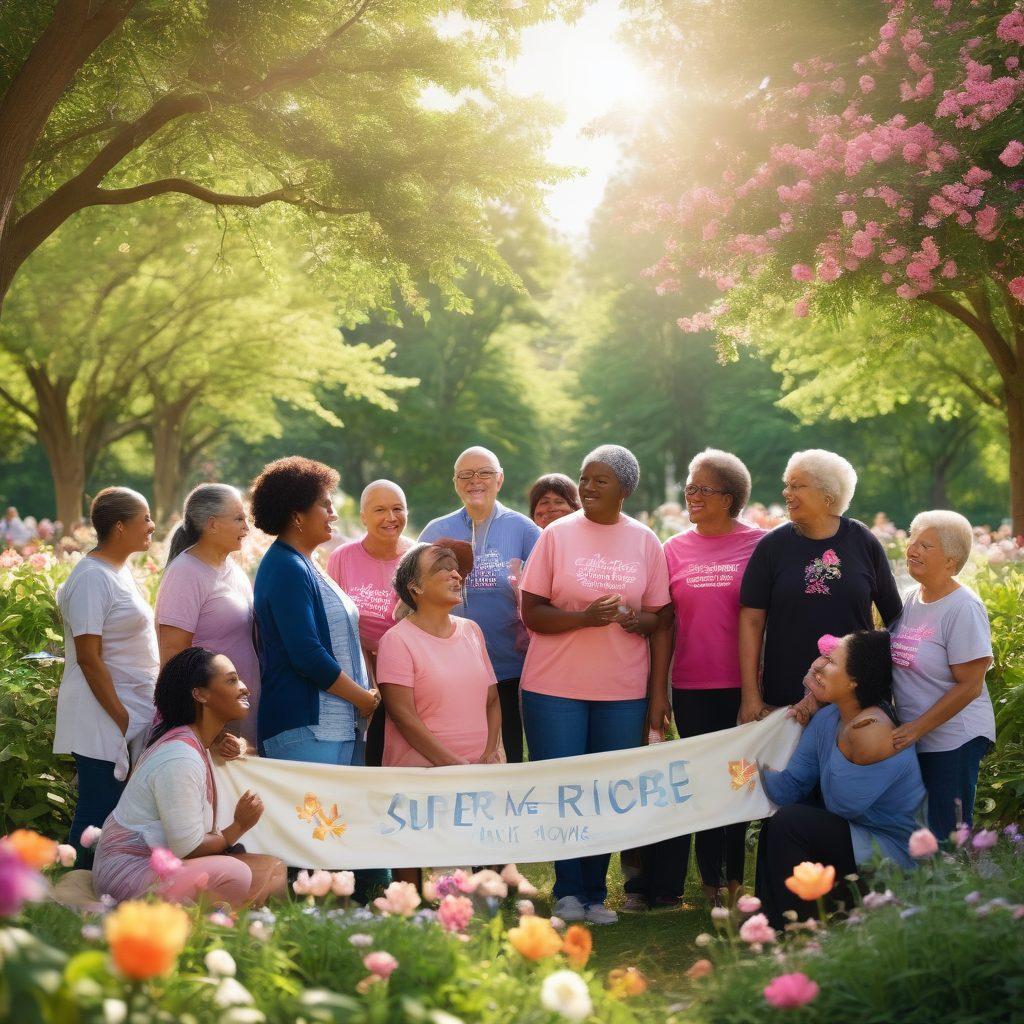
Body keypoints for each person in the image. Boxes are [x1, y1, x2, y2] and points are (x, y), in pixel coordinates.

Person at [519, 444, 670, 925]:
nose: (585, 487)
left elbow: (660, 617)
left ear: (624, 489)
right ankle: (568, 890)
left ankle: (596, 895)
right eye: (584, 478)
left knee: (605, 791)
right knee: (565, 789)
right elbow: (532, 612)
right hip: (553, 687)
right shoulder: (557, 536)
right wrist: (583, 618)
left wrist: (632, 619)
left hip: (622, 690)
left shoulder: (645, 540)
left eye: (599, 480)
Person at [625, 449, 765, 912]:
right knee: (704, 784)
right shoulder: (674, 549)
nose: (692, 496)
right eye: (690, 488)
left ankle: (735, 881)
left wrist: (757, 692)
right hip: (690, 688)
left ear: (730, 498)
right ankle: (709, 880)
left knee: (739, 782)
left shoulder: (761, 545)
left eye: (702, 489)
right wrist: (660, 691)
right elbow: (665, 624)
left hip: (745, 689)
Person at [92, 647, 286, 906]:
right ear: (200, 694)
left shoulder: (195, 743)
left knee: (273, 868)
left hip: (157, 867)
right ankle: (228, 926)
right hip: (127, 875)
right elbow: (188, 848)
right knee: (238, 873)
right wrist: (239, 826)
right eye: (231, 680)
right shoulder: (180, 757)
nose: (244, 687)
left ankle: (233, 923)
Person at [757, 630, 925, 928]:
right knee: (782, 818)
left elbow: (845, 805)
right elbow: (788, 789)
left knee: (792, 823)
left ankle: (805, 928)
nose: (819, 665)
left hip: (889, 849)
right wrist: (755, 762)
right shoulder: (828, 718)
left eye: (831, 661)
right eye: (823, 655)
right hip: (855, 833)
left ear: (853, 682)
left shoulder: (871, 732)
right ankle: (783, 925)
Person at [739, 449, 902, 723]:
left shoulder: (863, 541)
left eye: (797, 485)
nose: (786, 493)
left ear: (828, 496)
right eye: (786, 485)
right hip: (785, 702)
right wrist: (751, 697)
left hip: (852, 701)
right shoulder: (772, 546)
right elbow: (751, 620)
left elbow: (894, 619)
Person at [377, 540, 502, 885]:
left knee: (464, 892)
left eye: (455, 568)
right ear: (415, 587)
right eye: (442, 568)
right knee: (424, 893)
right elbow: (404, 717)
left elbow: (492, 699)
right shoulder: (397, 641)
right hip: (423, 779)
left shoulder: (472, 631)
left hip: (475, 773)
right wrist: (453, 766)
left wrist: (493, 749)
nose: (455, 574)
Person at [53, 488, 160, 865]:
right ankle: (73, 895)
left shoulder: (119, 571)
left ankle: (96, 890)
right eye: (144, 518)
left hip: (125, 708)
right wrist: (121, 717)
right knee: (96, 809)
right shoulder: (91, 577)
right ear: (119, 526)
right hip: (102, 710)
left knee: (113, 811)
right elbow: (88, 657)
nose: (152, 525)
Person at [251, 457, 378, 765]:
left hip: (335, 727)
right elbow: (306, 653)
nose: (333, 515)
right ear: (297, 515)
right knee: (311, 816)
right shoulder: (286, 567)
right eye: (325, 505)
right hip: (306, 730)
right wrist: (362, 698)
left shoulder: (305, 562)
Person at [419, 446, 540, 764]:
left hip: (509, 663)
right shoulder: (436, 531)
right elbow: (413, 592)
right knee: (461, 750)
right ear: (455, 483)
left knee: (510, 753)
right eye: (466, 475)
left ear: (499, 479)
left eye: (485, 472)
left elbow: (550, 584)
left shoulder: (523, 529)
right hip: (449, 667)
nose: (476, 481)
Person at [889, 510, 995, 839]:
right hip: (916, 737)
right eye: (913, 541)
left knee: (947, 836)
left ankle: (959, 891)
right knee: (921, 836)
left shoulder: (963, 607)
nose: (912, 550)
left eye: (926, 545)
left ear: (951, 560)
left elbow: (970, 686)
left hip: (954, 738)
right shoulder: (910, 598)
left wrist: (917, 728)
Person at [155, 484, 260, 746]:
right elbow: (174, 657)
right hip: (210, 726)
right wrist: (204, 731)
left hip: (240, 717)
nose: (246, 528)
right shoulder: (185, 573)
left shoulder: (233, 569)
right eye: (238, 519)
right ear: (212, 524)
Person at [326, 480, 414, 767]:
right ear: (363, 516)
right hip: (360, 676)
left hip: (409, 675)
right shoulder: (342, 557)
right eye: (380, 510)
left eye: (397, 509)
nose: (390, 518)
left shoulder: (419, 557)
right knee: (370, 756)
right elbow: (335, 622)